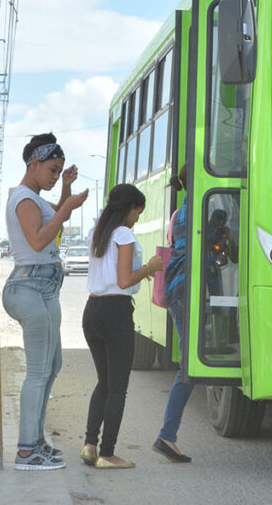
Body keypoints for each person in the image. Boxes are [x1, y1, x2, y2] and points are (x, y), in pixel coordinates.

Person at [3, 133, 88, 471]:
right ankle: (26, 451)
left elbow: (56, 220)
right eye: (53, 170)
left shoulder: (34, 197)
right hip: (31, 285)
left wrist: (65, 193)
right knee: (38, 372)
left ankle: (37, 441)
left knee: (51, 367)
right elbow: (39, 240)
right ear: (33, 163)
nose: (55, 176)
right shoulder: (23, 198)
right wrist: (65, 206)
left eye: (61, 171)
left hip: (43, 287)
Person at [79, 184, 163, 469]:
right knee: (117, 388)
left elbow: (116, 276)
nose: (137, 217)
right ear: (129, 209)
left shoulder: (97, 233)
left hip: (92, 311)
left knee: (104, 382)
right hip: (116, 313)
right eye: (138, 211)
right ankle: (108, 453)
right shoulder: (124, 234)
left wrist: (140, 274)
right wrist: (150, 267)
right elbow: (125, 280)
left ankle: (90, 444)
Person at [152, 164, 195, 463]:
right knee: (190, 367)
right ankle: (167, 436)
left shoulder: (178, 214)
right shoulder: (200, 211)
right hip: (184, 292)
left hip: (178, 291)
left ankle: (168, 435)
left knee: (192, 366)